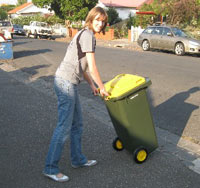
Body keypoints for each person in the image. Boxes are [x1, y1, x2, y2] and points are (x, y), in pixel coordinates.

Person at [43, 7, 109, 182]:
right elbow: (92, 66)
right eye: (97, 19)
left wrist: (92, 85)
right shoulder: (88, 36)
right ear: (91, 18)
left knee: (77, 124)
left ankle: (78, 160)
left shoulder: (84, 33)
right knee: (64, 127)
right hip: (65, 83)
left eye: (103, 21)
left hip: (66, 82)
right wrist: (102, 87)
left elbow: (83, 66)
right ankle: (50, 167)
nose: (100, 23)